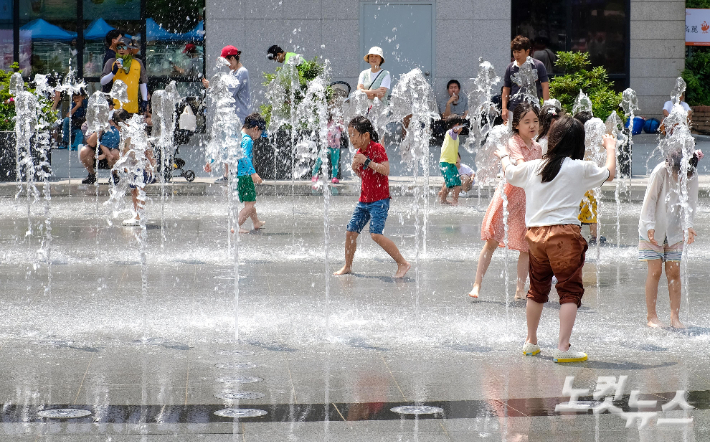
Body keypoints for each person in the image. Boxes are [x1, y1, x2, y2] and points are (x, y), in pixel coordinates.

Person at [499, 115, 617, 362]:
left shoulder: (534, 167)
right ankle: (563, 347)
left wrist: (502, 156)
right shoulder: (579, 168)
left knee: (537, 288)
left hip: (535, 236)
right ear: (577, 143)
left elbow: (510, 173)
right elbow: (609, 173)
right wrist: (611, 148)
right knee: (569, 290)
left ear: (552, 139)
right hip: (564, 236)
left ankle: (531, 341)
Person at [468, 103, 540, 300]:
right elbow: (523, 168)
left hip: (527, 200)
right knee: (492, 241)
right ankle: (477, 284)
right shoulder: (513, 143)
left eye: (535, 121)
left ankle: (519, 289)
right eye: (527, 122)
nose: (532, 125)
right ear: (516, 125)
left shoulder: (538, 147)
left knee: (527, 247)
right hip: (507, 198)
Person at [334, 116, 410, 278]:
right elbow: (366, 176)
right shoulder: (360, 152)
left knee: (375, 234)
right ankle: (348, 265)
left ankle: (402, 263)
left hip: (379, 200)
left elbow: (385, 170)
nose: (351, 138)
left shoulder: (377, 148)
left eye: (354, 134)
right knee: (350, 232)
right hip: (364, 200)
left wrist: (366, 161)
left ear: (366, 135)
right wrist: (357, 169)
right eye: (349, 135)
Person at [639, 149, 701, 329]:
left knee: (674, 272)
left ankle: (675, 317)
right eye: (679, 173)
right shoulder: (661, 171)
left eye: (687, 174)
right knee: (655, 271)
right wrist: (650, 226)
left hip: (675, 229)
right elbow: (649, 201)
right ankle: (652, 316)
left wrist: (688, 225)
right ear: (670, 165)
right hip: (653, 227)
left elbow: (691, 202)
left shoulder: (692, 174)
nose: (682, 177)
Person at [205, 113, 266, 233]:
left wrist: (211, 162)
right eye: (260, 133)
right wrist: (253, 173)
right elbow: (244, 157)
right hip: (245, 176)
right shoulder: (247, 140)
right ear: (255, 129)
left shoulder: (236, 136)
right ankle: (236, 226)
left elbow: (223, 150)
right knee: (250, 204)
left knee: (250, 202)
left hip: (235, 176)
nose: (259, 136)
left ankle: (256, 222)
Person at [202, 45, 251, 183]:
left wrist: (211, 86)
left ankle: (238, 175)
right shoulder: (232, 73)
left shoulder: (242, 72)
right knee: (227, 142)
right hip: (230, 115)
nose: (228, 65)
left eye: (228, 62)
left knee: (237, 144)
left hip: (240, 115)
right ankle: (227, 174)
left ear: (234, 58)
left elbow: (229, 92)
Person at [573, 111, 605, 245]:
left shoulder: (577, 142)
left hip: (578, 185)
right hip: (589, 185)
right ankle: (595, 235)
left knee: (577, 210)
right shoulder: (591, 144)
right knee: (591, 210)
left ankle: (577, 234)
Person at [502, 35, 550, 123]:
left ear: (527, 51)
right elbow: (506, 89)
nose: (516, 55)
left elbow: (545, 87)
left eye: (519, 52)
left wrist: (545, 108)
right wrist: (504, 108)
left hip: (533, 109)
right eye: (514, 52)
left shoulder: (538, 65)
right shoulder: (510, 67)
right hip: (514, 109)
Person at [100, 38, 148, 115]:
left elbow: (142, 82)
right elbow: (102, 81)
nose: (121, 50)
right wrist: (113, 72)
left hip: (133, 107)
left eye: (124, 47)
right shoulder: (111, 62)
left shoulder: (138, 62)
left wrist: (144, 100)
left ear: (130, 49)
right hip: (115, 109)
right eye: (119, 47)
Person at [79, 108, 125, 185]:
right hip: (95, 155)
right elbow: (92, 143)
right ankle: (92, 175)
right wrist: (100, 128)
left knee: (115, 153)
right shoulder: (86, 125)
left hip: (110, 154)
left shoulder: (112, 124)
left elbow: (116, 142)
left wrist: (106, 154)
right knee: (84, 151)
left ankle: (114, 174)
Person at [311, 113, 344, 184]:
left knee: (335, 162)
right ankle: (314, 174)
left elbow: (342, 129)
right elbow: (322, 132)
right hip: (326, 145)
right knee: (319, 159)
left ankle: (334, 177)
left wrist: (340, 121)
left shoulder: (338, 122)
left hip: (336, 146)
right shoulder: (326, 122)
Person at [438, 121, 464, 205]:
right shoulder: (450, 133)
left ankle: (443, 200)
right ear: (456, 125)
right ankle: (455, 201)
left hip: (448, 163)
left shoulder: (455, 137)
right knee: (457, 184)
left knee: (449, 184)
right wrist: (456, 128)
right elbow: (454, 131)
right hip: (446, 163)